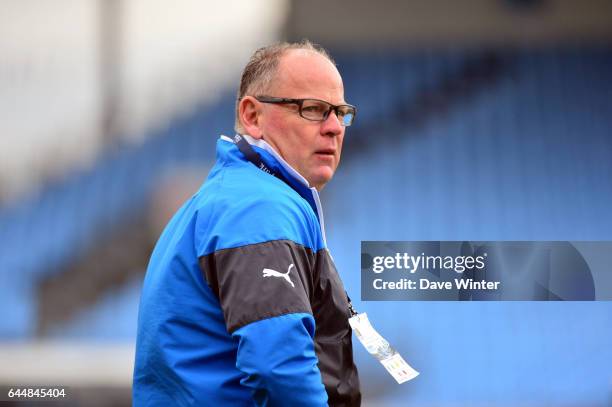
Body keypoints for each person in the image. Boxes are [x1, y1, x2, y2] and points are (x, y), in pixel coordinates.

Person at [133, 40, 361, 406]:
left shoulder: (233, 197)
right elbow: (279, 367)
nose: (334, 127)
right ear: (253, 116)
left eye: (341, 112)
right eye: (314, 109)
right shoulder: (258, 205)